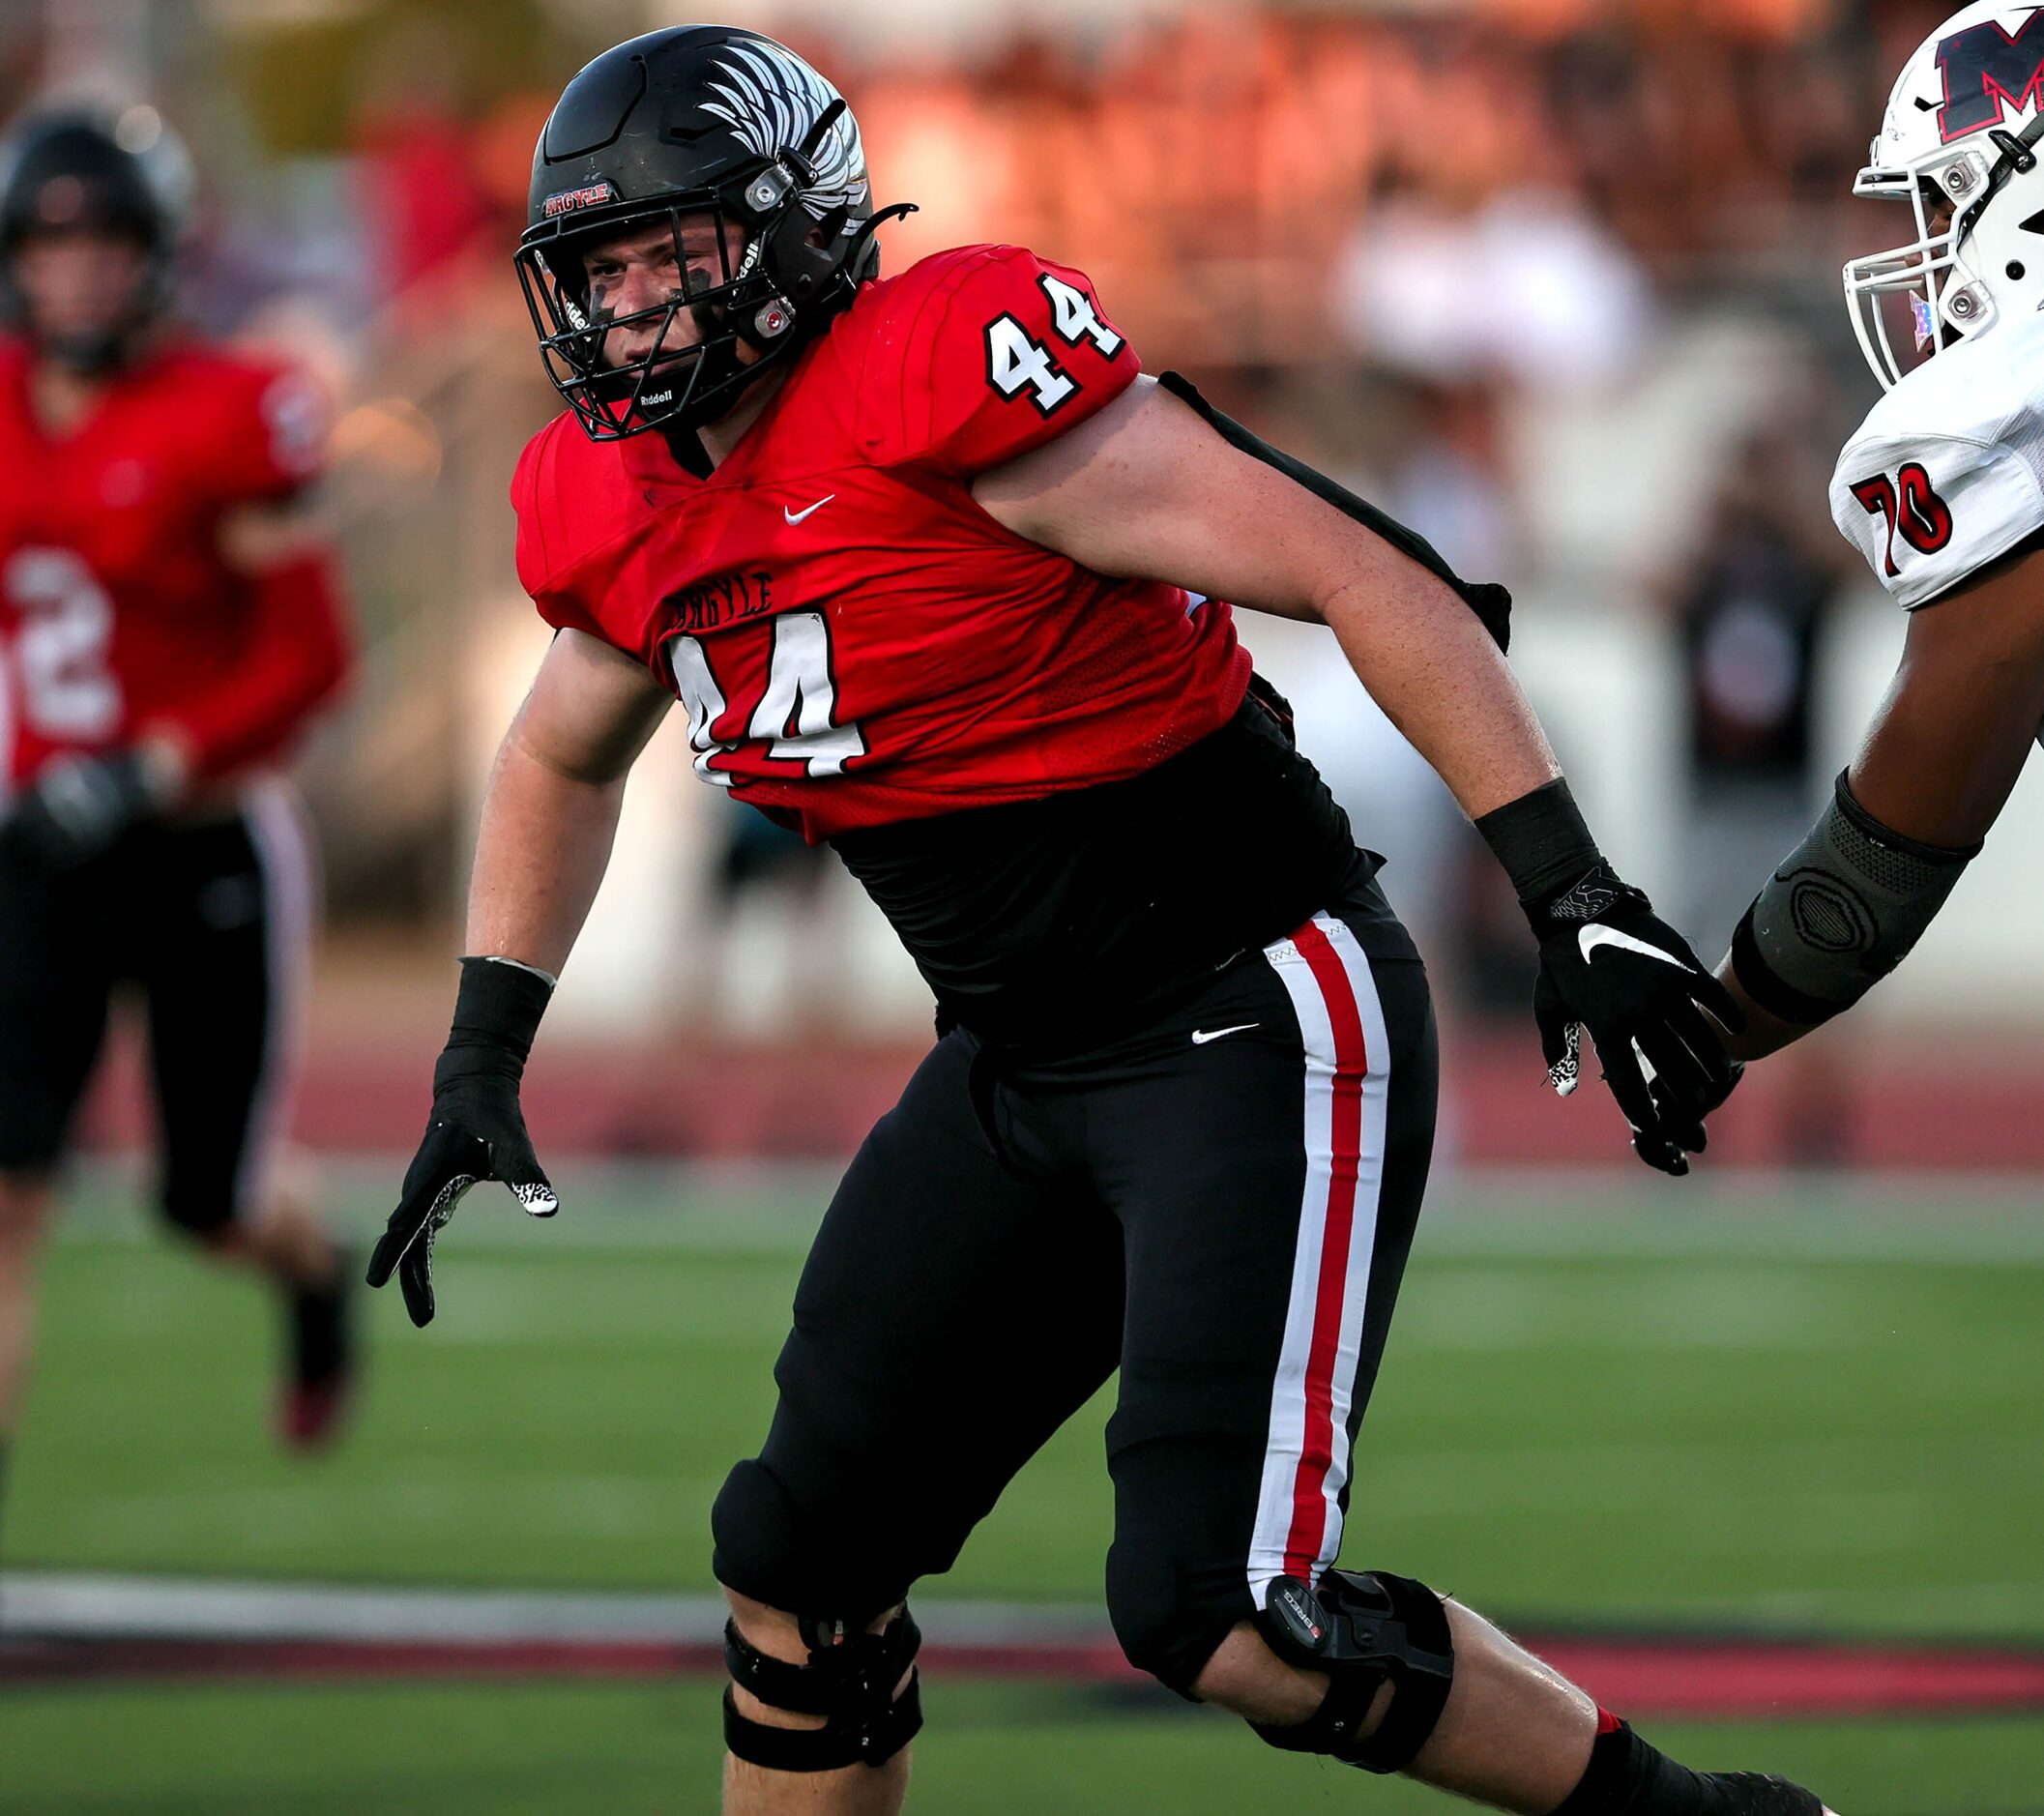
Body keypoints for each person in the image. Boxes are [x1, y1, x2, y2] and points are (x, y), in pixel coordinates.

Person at [371, 28, 1828, 1816]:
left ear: (796, 228)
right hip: (1014, 1054)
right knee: (795, 1563)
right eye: (600, 269)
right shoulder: (613, 500)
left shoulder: (935, 376)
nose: (633, 307)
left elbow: (1353, 565)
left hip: (1243, 999)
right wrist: (483, 1039)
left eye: (673, 253)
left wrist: (1568, 885)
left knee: (1225, 1616)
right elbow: (554, 752)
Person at [0, 110, 360, 1531]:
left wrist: (153, 765)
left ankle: (311, 1268)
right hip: (37, 849)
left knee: (204, 1203)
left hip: (200, 842)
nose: (78, 274)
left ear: (157, 257)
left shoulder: (234, 408)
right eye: (49, 242)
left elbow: (311, 658)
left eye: (106, 243)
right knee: (8, 1199)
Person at [1711, 0, 2044, 1060]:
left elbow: (1881, 864)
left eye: (1943, 210)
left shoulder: (2000, 419)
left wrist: (1701, 1032)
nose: (1928, 259)